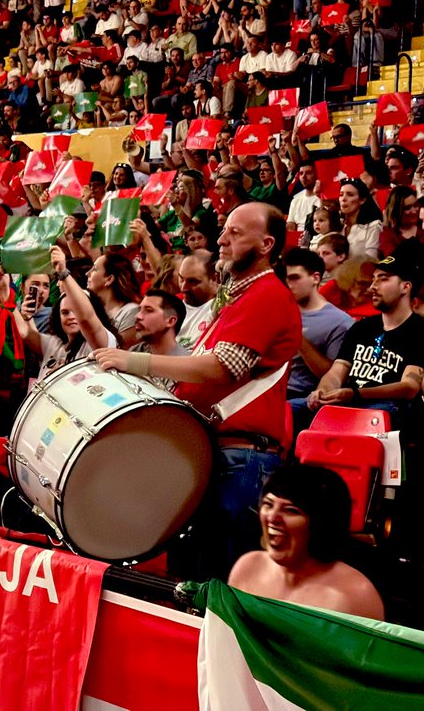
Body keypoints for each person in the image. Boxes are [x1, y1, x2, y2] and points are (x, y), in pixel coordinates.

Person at [94, 203, 302, 577]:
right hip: (218, 453)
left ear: (267, 244)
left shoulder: (267, 294)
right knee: (194, 576)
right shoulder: (241, 297)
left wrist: (136, 362)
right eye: (224, 230)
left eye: (235, 233)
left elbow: (223, 367)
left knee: (218, 581)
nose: (221, 239)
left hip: (239, 457)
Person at [307, 242, 424, 424]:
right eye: (373, 279)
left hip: (388, 411)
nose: (373, 286)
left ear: (405, 287)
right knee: (291, 408)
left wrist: (355, 394)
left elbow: (409, 387)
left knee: (377, 412)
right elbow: (336, 373)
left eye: (383, 279)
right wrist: (323, 392)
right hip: (348, 403)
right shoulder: (361, 328)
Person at [228, 465, 384, 620]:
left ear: (321, 524)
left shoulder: (357, 595)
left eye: (291, 510)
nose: (272, 517)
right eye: (268, 504)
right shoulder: (247, 568)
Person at [283, 248, 353, 432]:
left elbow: (331, 374)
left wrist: (296, 334)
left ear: (315, 278)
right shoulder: (278, 309)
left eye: (294, 278)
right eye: (285, 279)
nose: (288, 284)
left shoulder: (340, 322)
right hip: (269, 389)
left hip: (302, 396)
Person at [129, 288, 189, 389]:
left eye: (148, 310)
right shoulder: (136, 350)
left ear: (170, 321)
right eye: (140, 310)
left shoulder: (185, 366)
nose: (138, 316)